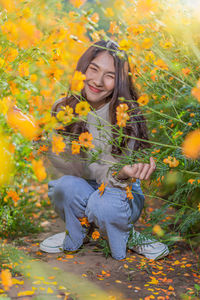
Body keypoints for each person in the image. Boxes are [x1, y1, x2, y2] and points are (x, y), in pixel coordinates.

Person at [40, 40, 169, 260]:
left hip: (119, 193)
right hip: (82, 188)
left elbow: (117, 176)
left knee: (104, 204)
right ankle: (84, 230)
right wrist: (40, 142)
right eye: (94, 69)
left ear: (120, 81)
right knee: (64, 187)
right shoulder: (63, 109)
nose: (97, 81)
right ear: (83, 69)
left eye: (109, 75)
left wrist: (126, 172)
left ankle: (125, 233)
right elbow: (64, 170)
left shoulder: (127, 116)